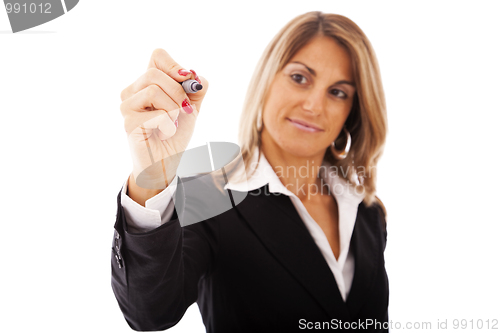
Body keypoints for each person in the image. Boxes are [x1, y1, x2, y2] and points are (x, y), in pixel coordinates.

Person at [112, 11, 389, 333]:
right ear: (267, 81)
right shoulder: (207, 198)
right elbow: (150, 312)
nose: (314, 105)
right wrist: (152, 177)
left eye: (338, 92)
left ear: (351, 111)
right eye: (300, 78)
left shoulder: (367, 211)